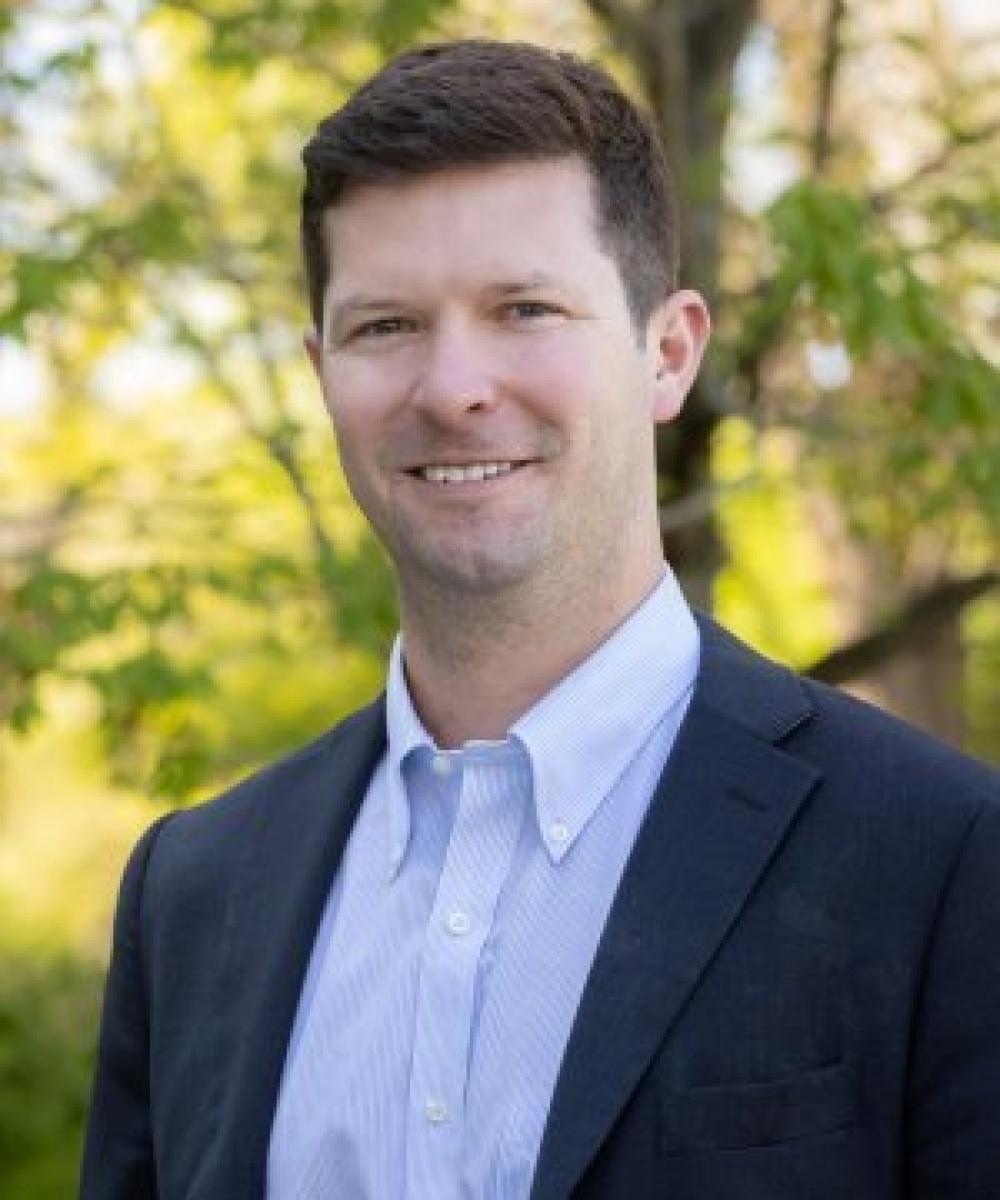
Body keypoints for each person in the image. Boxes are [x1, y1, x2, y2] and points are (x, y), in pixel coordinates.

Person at [79, 39, 999, 1200]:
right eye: (385, 326)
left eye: (524, 308)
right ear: (321, 372)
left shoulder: (944, 860)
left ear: (668, 354)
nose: (453, 388)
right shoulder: (193, 893)